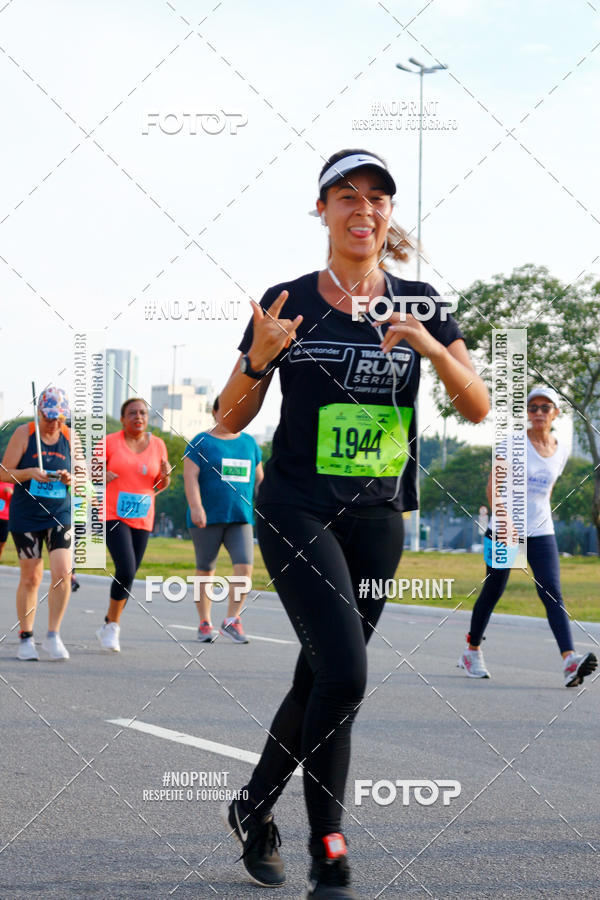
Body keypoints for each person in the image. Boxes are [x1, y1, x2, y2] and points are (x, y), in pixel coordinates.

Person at [216, 149, 489, 897]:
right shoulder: (288, 299)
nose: (362, 209)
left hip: (377, 519)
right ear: (323, 210)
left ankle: (252, 806)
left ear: (388, 215)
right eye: (347, 196)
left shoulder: (423, 301)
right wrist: (258, 362)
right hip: (297, 507)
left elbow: (477, 406)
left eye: (377, 198)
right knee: (345, 673)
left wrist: (434, 348)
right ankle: (328, 855)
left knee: (320, 676)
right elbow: (228, 419)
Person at [459, 385, 598, 687]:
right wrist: (505, 521)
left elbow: (545, 492)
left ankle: (569, 660)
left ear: (555, 413)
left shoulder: (561, 450)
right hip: (503, 530)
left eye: (544, 408)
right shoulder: (511, 444)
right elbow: (492, 488)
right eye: (532, 408)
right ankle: (471, 651)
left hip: (540, 531)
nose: (538, 413)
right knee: (493, 590)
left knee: (551, 592)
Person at [0, 387, 73, 661]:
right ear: (39, 412)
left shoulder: (69, 437)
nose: (52, 422)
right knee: (31, 577)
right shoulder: (25, 433)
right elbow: (4, 473)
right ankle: (26, 636)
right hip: (27, 513)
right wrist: (29, 473)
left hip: (59, 513)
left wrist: (68, 478)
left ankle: (53, 635)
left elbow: (82, 475)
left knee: (63, 572)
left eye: (58, 417)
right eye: (48, 416)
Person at [183, 398, 264, 643]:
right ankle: (204, 623)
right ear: (215, 412)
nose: (232, 415)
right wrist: (196, 507)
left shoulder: (250, 443)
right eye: (226, 410)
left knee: (244, 567)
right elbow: (190, 477)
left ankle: (232, 620)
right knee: (206, 570)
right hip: (207, 518)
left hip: (240, 518)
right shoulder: (201, 442)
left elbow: (260, 480)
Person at [96, 398, 171, 653]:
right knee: (125, 568)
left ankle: (108, 622)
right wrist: (100, 475)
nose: (138, 417)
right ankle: (114, 627)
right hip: (112, 513)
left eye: (142, 413)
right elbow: (87, 473)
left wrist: (166, 476)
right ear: (122, 418)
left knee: (129, 575)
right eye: (132, 413)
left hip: (142, 515)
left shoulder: (158, 445)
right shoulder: (109, 442)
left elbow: (159, 485)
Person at [0, 481, 14, 560]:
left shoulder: (12, 484)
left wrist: (12, 493)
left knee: (2, 541)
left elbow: (17, 501)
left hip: (6, 518)